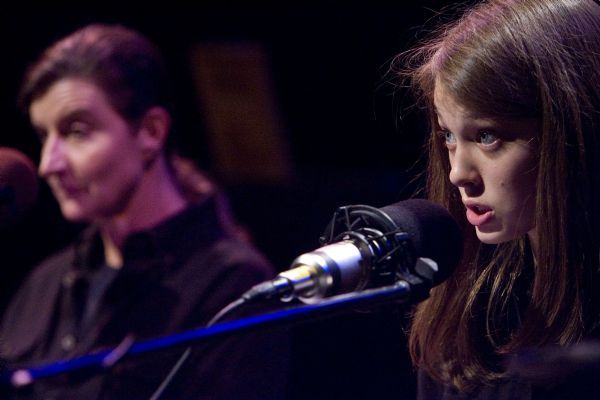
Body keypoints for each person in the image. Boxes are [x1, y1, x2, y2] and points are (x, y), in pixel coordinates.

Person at [0, 23, 288, 399]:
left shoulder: (231, 285)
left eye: (75, 132)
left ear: (150, 132)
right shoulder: (46, 282)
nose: (48, 164)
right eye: (43, 136)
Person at [392, 0, 600, 398]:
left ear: (575, 132)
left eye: (487, 137)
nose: (457, 174)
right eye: (448, 135)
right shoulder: (472, 313)